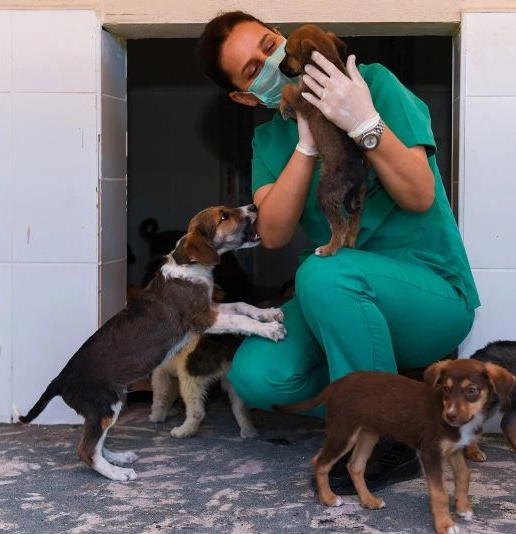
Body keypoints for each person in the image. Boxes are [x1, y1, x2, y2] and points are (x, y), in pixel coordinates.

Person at [195, 11, 480, 493]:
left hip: (430, 296)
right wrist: (307, 143)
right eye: (252, 69)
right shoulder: (271, 136)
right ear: (246, 96)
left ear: (285, 38)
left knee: (324, 274)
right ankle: (409, 408)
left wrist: (363, 121)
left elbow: (419, 195)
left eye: (269, 44)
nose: (270, 60)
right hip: (343, 295)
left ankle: (386, 436)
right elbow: (275, 232)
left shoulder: (371, 84)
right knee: (256, 375)